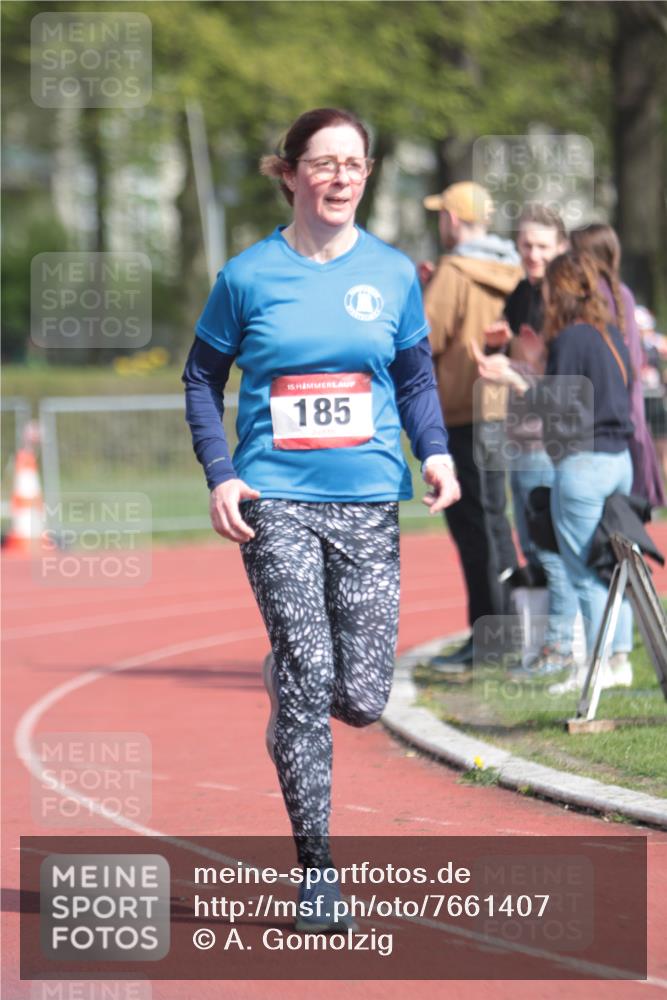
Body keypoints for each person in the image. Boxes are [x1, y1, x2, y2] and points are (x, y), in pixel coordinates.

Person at [182, 107, 460, 930]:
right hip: (277, 500)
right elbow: (201, 380)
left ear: (367, 175)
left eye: (355, 164)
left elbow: (412, 379)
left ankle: (290, 684)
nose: (341, 177)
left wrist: (435, 451)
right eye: (325, 163)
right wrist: (223, 474)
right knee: (308, 675)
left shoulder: (393, 273)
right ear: (291, 172)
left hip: (370, 499)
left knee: (365, 697)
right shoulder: (247, 276)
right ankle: (317, 874)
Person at [476, 251, 635, 689]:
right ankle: (618, 660)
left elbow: (556, 409)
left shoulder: (570, 340)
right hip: (619, 460)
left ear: (559, 290)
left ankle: (595, 668)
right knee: (611, 567)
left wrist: (516, 377)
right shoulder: (611, 335)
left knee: (583, 571)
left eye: (547, 288)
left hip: (584, 464)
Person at [421, 181, 523, 667]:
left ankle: (489, 639)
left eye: (443, 215)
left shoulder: (454, 271)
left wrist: (425, 290)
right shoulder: (515, 267)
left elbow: (424, 336)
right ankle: (508, 630)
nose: (441, 223)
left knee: (473, 528)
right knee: (496, 524)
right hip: (504, 408)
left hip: (463, 410)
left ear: (454, 220)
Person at [485, 204, 579, 675]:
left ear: (562, 247)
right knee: (531, 544)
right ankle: (544, 647)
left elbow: (564, 377)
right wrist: (496, 346)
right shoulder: (520, 293)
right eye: (525, 245)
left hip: (551, 439)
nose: (533, 254)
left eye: (543, 246)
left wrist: (515, 368)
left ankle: (562, 647)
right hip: (519, 434)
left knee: (550, 546)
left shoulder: (567, 301)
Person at [570, 223, 665, 509]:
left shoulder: (592, 296)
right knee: (620, 528)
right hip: (623, 422)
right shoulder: (622, 294)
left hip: (596, 429)